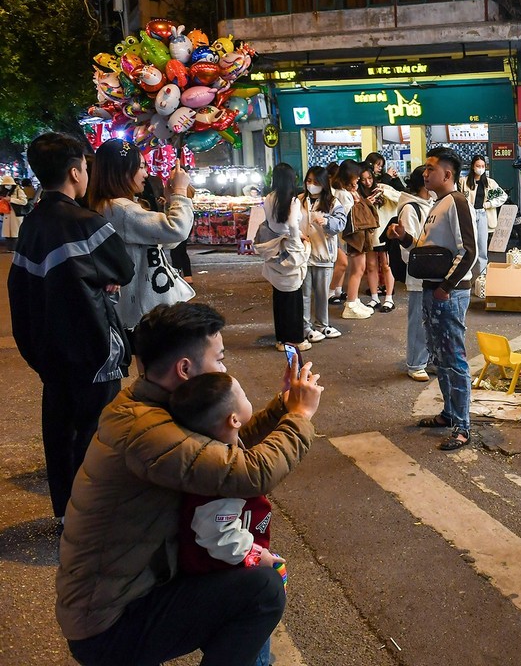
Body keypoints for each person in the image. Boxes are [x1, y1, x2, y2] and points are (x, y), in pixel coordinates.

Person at [57, 301, 323, 666]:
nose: (225, 368)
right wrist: (300, 417)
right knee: (261, 590)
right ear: (185, 369)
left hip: (133, 589)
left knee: (249, 577)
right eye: (220, 359)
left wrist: (282, 409)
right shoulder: (146, 431)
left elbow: (225, 442)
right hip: (110, 623)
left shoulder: (156, 404)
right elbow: (249, 473)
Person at [8, 132, 135, 524]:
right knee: (97, 435)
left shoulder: (31, 225)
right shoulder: (86, 223)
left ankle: (66, 512)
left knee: (60, 433)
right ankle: (92, 515)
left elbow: (21, 289)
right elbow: (124, 270)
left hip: (48, 353)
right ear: (75, 171)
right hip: (94, 348)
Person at [170, 373, 286, 666]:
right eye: (245, 396)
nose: (249, 400)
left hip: (224, 567)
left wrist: (285, 400)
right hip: (223, 571)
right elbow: (217, 534)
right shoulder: (221, 474)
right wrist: (254, 555)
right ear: (234, 419)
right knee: (254, 616)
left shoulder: (215, 450)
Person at [391, 147, 476, 450]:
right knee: (440, 358)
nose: (424, 174)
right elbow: (430, 249)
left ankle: (463, 427)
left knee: (454, 358)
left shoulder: (456, 202)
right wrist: (404, 238)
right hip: (433, 289)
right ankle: (449, 413)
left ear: (448, 174)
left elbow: (470, 251)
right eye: (425, 169)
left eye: (430, 169)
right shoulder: (438, 204)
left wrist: (446, 287)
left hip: (447, 293)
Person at [89, 138, 194, 330]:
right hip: (147, 311)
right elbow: (177, 230)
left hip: (148, 306)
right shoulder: (122, 209)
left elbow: (166, 241)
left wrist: (171, 200)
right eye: (142, 167)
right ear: (122, 171)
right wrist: (179, 192)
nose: (146, 173)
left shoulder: (115, 207)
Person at [385, 165, 435, 382]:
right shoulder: (410, 208)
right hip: (418, 274)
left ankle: (429, 359)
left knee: (431, 319)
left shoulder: (431, 204)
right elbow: (409, 247)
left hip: (432, 272)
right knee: (418, 320)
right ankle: (415, 363)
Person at [258, 163, 311, 352]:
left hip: (275, 248)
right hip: (290, 245)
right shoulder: (293, 201)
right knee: (294, 296)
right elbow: (292, 224)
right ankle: (296, 339)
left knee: (279, 297)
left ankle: (281, 339)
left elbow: (270, 224)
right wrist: (298, 240)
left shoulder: (269, 198)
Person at [300, 166, 345, 342]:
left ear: (324, 183)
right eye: (308, 181)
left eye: (316, 182)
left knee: (322, 293)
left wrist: (327, 221)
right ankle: (305, 327)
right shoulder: (299, 200)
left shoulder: (333, 202)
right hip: (304, 255)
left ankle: (322, 325)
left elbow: (340, 224)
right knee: (304, 293)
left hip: (323, 254)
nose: (311, 185)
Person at [335, 160, 377, 320]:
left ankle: (354, 300)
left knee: (357, 269)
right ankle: (351, 303)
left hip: (351, 237)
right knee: (358, 269)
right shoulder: (344, 194)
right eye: (357, 177)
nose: (359, 180)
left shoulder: (341, 191)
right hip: (353, 236)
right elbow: (346, 216)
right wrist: (360, 203)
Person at [459, 155, 506, 286]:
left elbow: (503, 196)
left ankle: (482, 279)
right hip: (469, 215)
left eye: (482, 166)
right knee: (467, 245)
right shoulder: (464, 181)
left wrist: (489, 204)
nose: (480, 168)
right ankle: (465, 277)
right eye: (478, 166)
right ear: (472, 167)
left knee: (482, 247)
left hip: (483, 214)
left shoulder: (489, 183)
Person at [358, 165, 400, 313]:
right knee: (371, 265)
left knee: (387, 264)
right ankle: (374, 297)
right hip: (369, 234)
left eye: (369, 178)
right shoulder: (359, 194)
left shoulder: (383, 187)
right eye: (363, 180)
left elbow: (400, 198)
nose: (367, 182)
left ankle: (389, 298)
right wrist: (366, 203)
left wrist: (384, 192)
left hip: (385, 232)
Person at [326, 161, 350, 306]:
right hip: (332, 233)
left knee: (341, 263)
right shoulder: (334, 193)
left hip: (337, 233)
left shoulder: (338, 192)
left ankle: (337, 291)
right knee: (342, 263)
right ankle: (330, 292)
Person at [2, 173, 29, 248]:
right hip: (7, 214)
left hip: (16, 214)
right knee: (8, 233)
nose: (6, 186)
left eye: (8, 184)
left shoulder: (18, 190)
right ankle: (10, 248)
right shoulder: (5, 191)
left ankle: (15, 248)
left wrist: (11, 199)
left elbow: (24, 201)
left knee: (15, 233)